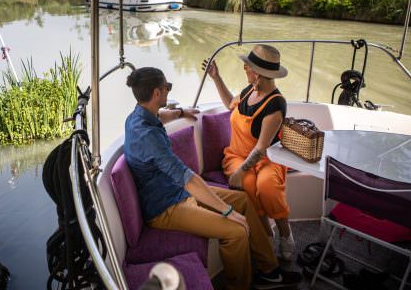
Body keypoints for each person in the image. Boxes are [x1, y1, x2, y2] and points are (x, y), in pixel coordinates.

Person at [124, 67, 301, 290]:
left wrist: (180, 113)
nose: (169, 91)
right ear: (158, 93)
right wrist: (227, 212)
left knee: (244, 201)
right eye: (167, 87)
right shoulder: (148, 136)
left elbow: (160, 116)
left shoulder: (138, 117)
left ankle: (269, 271)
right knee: (236, 231)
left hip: (177, 191)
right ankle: (239, 286)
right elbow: (189, 179)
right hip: (166, 207)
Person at [203, 44, 295, 260]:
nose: (245, 68)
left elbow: (262, 148)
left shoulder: (276, 104)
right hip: (237, 155)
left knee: (268, 187)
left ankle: (285, 233)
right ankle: (265, 235)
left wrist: (240, 171)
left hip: (266, 158)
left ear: (259, 75)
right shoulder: (248, 92)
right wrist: (216, 77)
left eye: (248, 66)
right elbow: (229, 104)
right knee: (248, 185)